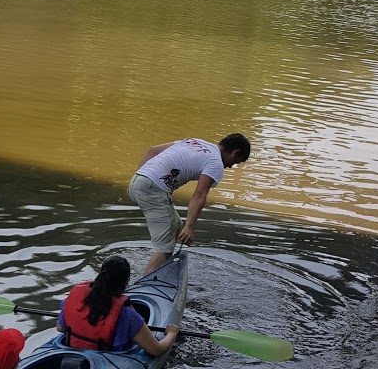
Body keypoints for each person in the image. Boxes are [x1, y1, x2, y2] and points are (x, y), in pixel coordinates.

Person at [129, 133, 251, 274]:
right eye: (236, 162)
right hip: (154, 189)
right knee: (164, 248)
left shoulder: (195, 142)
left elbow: (152, 151)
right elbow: (199, 194)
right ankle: (147, 288)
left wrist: (136, 182)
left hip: (138, 180)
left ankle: (163, 271)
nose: (230, 166)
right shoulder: (215, 162)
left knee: (175, 228)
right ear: (236, 153)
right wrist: (190, 227)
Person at [58, 256, 179, 356]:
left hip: (73, 352)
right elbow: (156, 350)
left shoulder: (76, 295)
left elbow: (60, 328)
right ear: (126, 282)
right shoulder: (127, 315)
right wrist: (172, 334)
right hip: (106, 361)